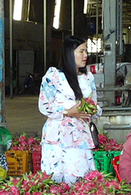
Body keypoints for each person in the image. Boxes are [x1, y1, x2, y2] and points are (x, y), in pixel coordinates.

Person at [38, 35, 101, 185]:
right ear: (69, 53)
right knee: (55, 178)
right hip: (57, 136)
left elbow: (96, 104)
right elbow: (44, 105)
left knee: (79, 177)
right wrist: (67, 112)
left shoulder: (88, 78)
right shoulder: (54, 75)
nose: (85, 55)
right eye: (81, 51)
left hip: (80, 135)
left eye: (86, 51)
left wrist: (92, 109)